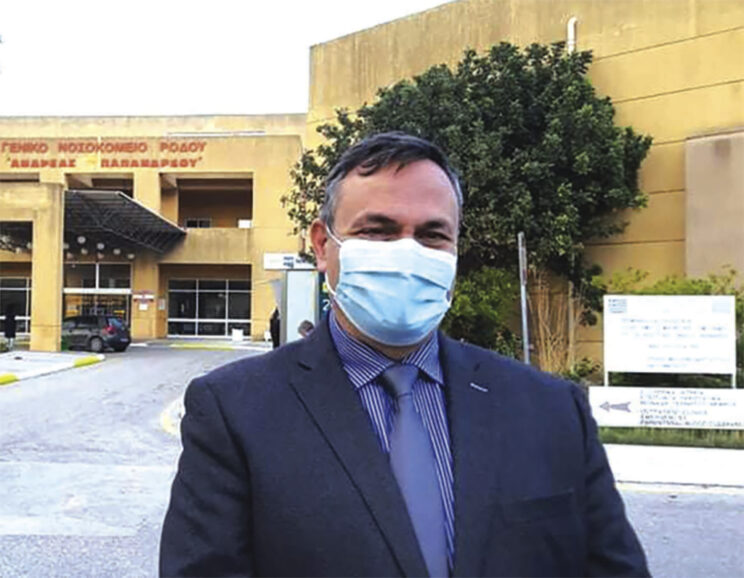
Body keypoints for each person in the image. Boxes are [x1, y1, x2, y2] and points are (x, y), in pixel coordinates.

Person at [160, 132, 649, 577]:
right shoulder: (235, 412)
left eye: (432, 234)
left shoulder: (551, 409)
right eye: (378, 230)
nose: (407, 253)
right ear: (323, 246)